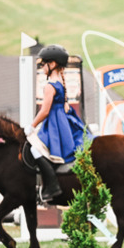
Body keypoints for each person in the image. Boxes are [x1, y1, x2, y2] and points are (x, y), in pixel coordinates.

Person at [27, 44, 87, 202]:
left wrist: (32, 126)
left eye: (43, 64)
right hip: (62, 122)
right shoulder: (60, 81)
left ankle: (52, 185)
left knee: (34, 149)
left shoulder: (49, 86)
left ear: (52, 64)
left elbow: (45, 111)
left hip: (54, 124)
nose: (42, 68)